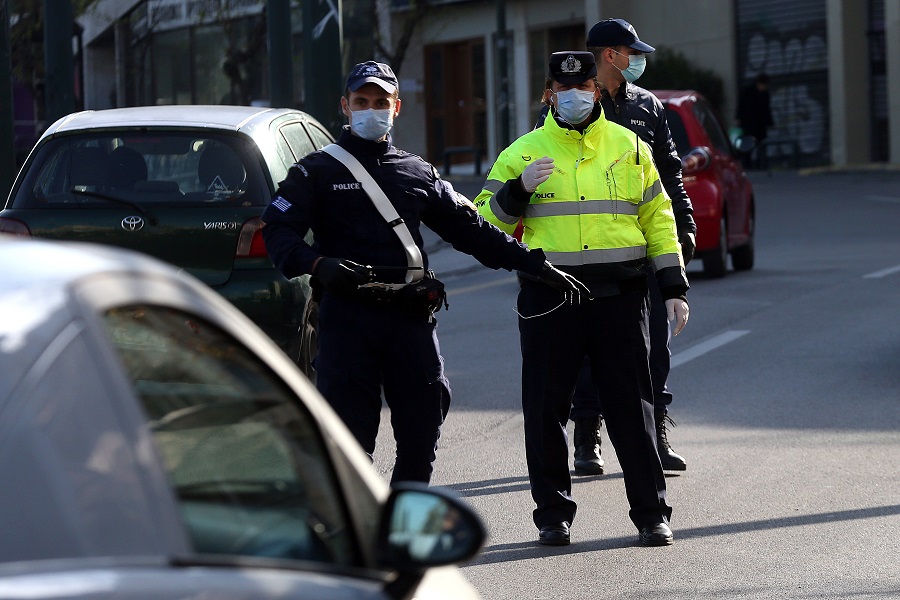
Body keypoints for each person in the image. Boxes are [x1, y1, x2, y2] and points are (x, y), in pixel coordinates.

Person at [260, 60, 586, 486]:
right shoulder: (315, 172)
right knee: (347, 440)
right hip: (346, 321)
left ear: (396, 108)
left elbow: (472, 231)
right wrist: (318, 265)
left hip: (409, 319)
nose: (370, 109)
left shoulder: (415, 171)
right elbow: (278, 231)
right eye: (362, 101)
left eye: (381, 102)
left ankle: (403, 527)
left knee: (422, 431)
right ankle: (359, 535)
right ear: (345, 105)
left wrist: (535, 264)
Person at [474, 51, 690, 546]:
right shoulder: (521, 153)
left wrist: (673, 285)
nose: (575, 95)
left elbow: (659, 219)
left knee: (631, 408)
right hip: (551, 299)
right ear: (549, 93)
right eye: (563, 88)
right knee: (546, 411)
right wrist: (515, 192)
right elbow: (484, 226)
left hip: (620, 296)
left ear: (597, 89)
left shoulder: (630, 146)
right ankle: (553, 515)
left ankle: (652, 513)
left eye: (586, 86)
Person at [564, 18, 697, 476]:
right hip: (591, 252)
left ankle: (656, 430)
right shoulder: (571, 104)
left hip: (644, 247)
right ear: (608, 55)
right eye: (629, 51)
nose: (637, 59)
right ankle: (587, 436)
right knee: (586, 351)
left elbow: (670, 173)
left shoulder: (647, 106)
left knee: (655, 347)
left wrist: (685, 227)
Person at [735, 72, 774, 168]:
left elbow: (766, 109)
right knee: (748, 145)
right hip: (749, 124)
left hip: (759, 125)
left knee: (760, 145)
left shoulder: (764, 94)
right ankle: (748, 164)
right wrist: (739, 118)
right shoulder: (748, 91)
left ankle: (759, 164)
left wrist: (769, 122)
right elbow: (741, 105)